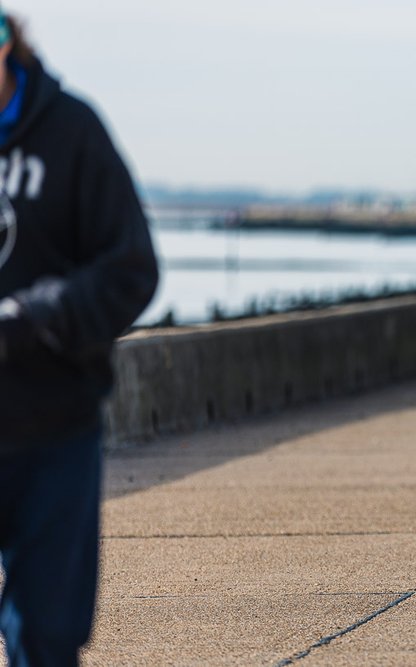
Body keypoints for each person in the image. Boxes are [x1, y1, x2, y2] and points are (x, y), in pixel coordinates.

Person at [0, 9, 159, 665]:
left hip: (52, 428)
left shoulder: (72, 131)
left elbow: (131, 270)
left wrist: (34, 314)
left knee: (45, 637)